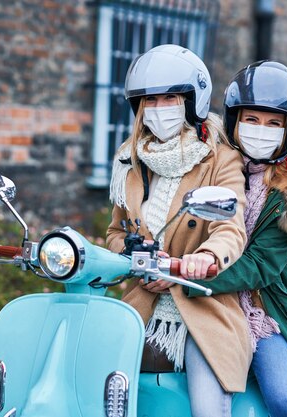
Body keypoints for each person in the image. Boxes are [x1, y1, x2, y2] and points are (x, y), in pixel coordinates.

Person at [183, 60, 287, 417]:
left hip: (264, 308)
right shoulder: (211, 165)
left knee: (284, 399)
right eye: (251, 120)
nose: (260, 130)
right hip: (206, 301)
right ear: (235, 121)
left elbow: (260, 266)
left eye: (273, 124)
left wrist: (191, 280)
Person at [106, 44, 250, 417]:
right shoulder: (129, 160)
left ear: (191, 101)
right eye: (149, 100)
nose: (158, 109)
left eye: (169, 98)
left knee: (206, 407)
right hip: (143, 304)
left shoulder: (220, 158)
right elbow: (115, 232)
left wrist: (200, 259)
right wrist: (137, 258)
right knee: (94, 380)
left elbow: (230, 227)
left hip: (201, 307)